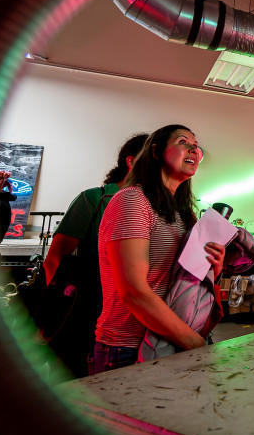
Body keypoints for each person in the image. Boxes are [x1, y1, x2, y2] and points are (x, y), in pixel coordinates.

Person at [90, 125, 225, 374]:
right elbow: (133, 292)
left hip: (175, 342)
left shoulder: (182, 213)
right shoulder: (132, 200)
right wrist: (194, 342)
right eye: (183, 142)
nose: (194, 148)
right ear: (155, 152)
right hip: (128, 348)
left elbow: (186, 283)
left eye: (197, 146)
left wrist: (213, 267)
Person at [38, 133, 148, 379]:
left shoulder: (155, 206)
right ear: (131, 162)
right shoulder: (94, 199)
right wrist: (61, 309)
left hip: (133, 317)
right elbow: (54, 258)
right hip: (86, 310)